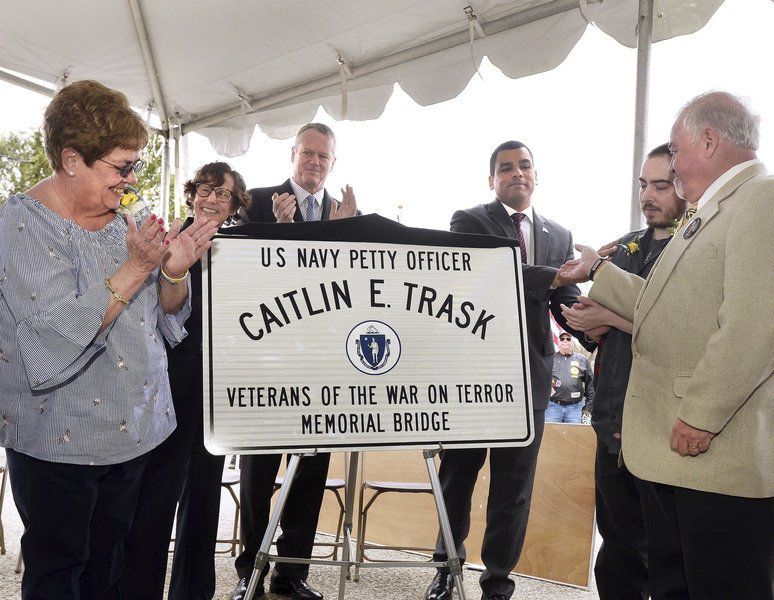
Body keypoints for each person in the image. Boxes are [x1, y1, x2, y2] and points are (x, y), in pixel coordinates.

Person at [0, 80, 218, 599]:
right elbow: (58, 332)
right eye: (122, 167)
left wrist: (173, 273)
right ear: (72, 160)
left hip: (136, 430)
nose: (131, 180)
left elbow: (160, 316)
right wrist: (137, 266)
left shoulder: (130, 217)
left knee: (112, 568)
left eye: (137, 165)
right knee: (60, 572)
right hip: (58, 437)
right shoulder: (20, 225)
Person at [557, 92, 773, 599]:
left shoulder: (760, 199)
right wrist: (599, 273)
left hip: (715, 456)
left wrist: (701, 413)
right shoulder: (712, 211)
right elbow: (666, 307)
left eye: (674, 153)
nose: (671, 167)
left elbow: (755, 325)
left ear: (709, 140)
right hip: (678, 459)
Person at [426, 141, 590, 600]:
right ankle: (446, 567)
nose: (516, 173)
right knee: (458, 476)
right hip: (474, 377)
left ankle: (498, 581)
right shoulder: (470, 220)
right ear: (491, 179)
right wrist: (558, 277)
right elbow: (486, 275)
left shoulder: (559, 235)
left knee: (515, 487)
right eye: (505, 168)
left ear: (536, 174)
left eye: (524, 166)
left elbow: (563, 302)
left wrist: (596, 325)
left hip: (532, 381)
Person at [232, 122, 358, 600]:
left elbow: (350, 285)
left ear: (332, 163)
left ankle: (292, 573)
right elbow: (243, 275)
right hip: (268, 365)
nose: (315, 163)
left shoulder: (344, 211)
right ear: (293, 154)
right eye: (308, 153)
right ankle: (251, 571)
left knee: (309, 474)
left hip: (324, 368)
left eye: (324, 157)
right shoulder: (258, 202)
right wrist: (276, 234)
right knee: (259, 474)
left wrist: (348, 231)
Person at [562, 143, 686, 599]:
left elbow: (676, 326)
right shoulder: (627, 247)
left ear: (686, 184)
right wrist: (588, 322)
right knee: (617, 551)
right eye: (642, 185)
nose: (648, 195)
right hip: (612, 421)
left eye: (661, 185)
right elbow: (610, 331)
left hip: (660, 426)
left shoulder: (691, 248)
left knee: (666, 554)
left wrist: (612, 317)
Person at [123, 163, 252, 599]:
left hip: (216, 398)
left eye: (223, 195)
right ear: (192, 194)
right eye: (206, 190)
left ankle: (193, 592)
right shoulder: (165, 239)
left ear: (235, 205)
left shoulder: (242, 251)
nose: (212, 200)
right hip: (165, 390)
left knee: (203, 502)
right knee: (155, 500)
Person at [546, 332, 594, 423]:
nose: (565, 341)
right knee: (551, 436)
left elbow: (591, 386)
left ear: (573, 342)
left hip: (575, 408)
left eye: (568, 339)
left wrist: (588, 407)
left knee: (575, 436)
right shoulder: (550, 359)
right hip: (552, 407)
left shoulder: (582, 360)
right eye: (562, 339)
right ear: (558, 342)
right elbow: (541, 382)